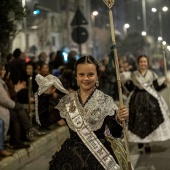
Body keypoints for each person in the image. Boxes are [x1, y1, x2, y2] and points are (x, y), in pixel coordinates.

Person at [35, 55, 129, 170]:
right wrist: (45, 95)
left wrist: (119, 119)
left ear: (97, 75)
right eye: (81, 74)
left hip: (101, 158)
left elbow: (116, 133)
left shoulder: (106, 101)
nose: (86, 78)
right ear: (76, 76)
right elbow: (44, 122)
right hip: (70, 159)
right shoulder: (67, 101)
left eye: (90, 74)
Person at [123, 55, 170, 152]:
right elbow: (130, 89)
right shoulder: (133, 75)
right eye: (141, 62)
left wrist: (165, 84)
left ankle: (147, 143)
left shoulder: (152, 74)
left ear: (147, 63)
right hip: (136, 100)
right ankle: (140, 141)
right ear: (138, 63)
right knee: (137, 121)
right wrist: (123, 82)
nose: (143, 64)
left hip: (150, 100)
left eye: (145, 62)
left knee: (149, 121)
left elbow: (157, 88)